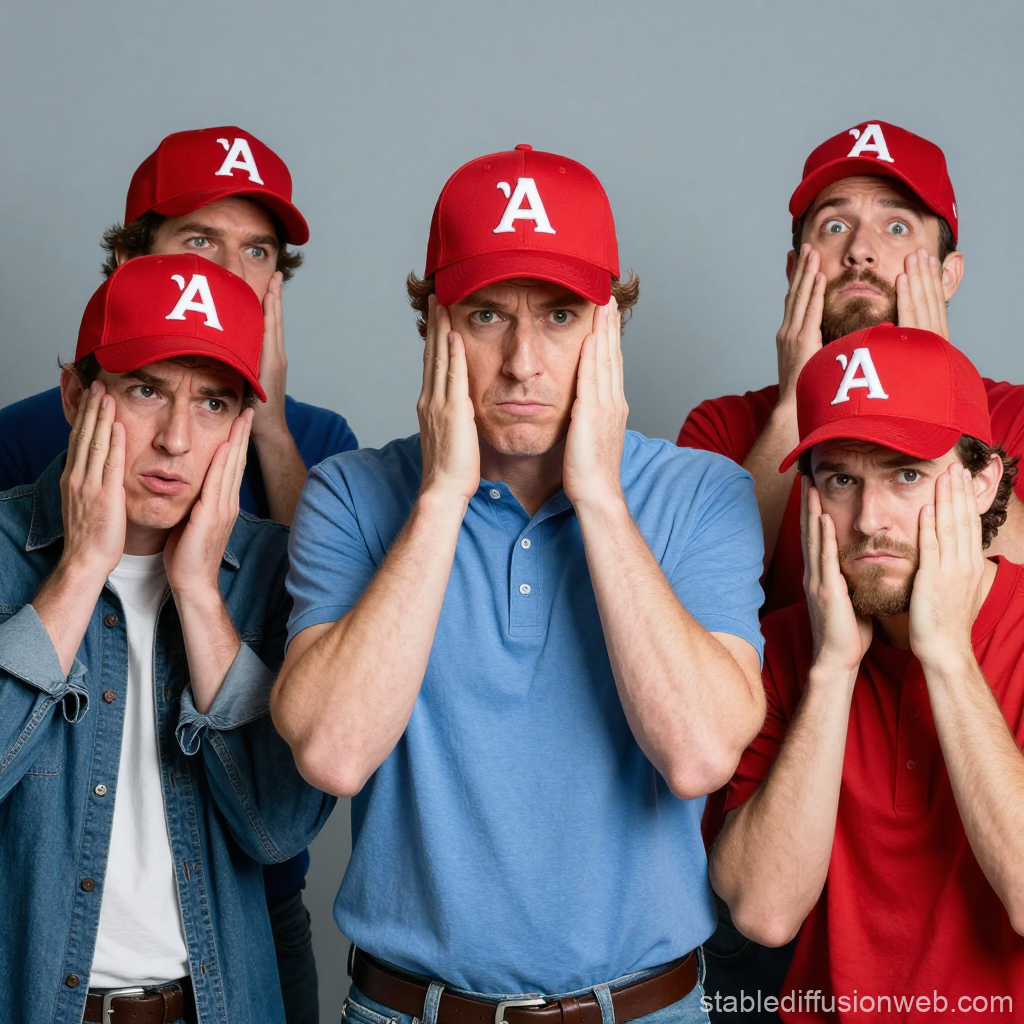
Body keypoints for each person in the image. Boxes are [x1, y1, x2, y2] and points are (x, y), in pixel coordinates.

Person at [270, 144, 766, 1024]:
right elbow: (333, 753)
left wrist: (601, 501)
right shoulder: (351, 492)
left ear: (610, 327)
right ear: (434, 326)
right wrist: (443, 496)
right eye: (487, 315)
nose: (524, 363)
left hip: (644, 1010)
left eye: (563, 315)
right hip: (410, 1010)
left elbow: (697, 755)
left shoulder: (701, 493)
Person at [0, 126, 356, 1023]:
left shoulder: (269, 563)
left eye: (211, 403)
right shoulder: (11, 528)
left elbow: (278, 830)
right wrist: (80, 570)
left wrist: (199, 592)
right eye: (146, 390)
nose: (173, 440)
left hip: (224, 991)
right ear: (80, 396)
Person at [678, 120, 1024, 1019]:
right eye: (833, 227)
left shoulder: (1005, 421)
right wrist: (802, 402)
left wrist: (938, 392)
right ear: (797, 266)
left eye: (898, 228)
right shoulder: (732, 430)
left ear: (949, 274)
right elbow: (709, 585)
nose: (863, 250)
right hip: (806, 794)